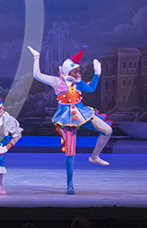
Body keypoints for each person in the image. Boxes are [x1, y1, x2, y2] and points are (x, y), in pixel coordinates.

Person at [28, 46, 112, 195]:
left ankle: (94, 156)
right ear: (67, 71)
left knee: (107, 130)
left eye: (78, 71)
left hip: (82, 113)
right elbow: (37, 75)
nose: (78, 74)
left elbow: (91, 88)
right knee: (70, 151)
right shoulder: (57, 81)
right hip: (66, 117)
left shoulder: (78, 82)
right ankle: (70, 184)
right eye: (75, 72)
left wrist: (97, 73)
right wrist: (36, 57)